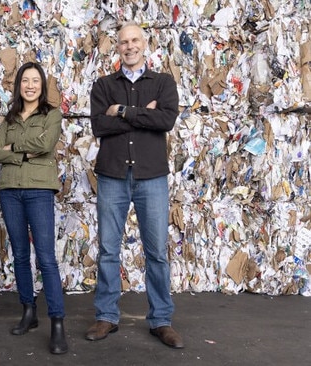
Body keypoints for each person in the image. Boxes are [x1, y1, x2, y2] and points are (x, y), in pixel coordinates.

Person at [86, 22, 184, 349]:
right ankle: (106, 316)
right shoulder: (103, 85)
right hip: (113, 175)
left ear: (145, 44)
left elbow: (165, 120)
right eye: (124, 42)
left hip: (151, 176)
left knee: (156, 252)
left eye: (135, 40)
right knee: (108, 250)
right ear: (117, 47)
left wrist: (124, 111)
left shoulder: (163, 83)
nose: (129, 46)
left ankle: (161, 320)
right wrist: (144, 114)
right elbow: (100, 125)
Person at [0, 62, 68, 354]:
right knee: (20, 254)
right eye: (26, 81)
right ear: (19, 85)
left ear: (42, 85)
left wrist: (13, 149)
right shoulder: (8, 119)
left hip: (38, 190)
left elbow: (46, 143)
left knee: (46, 258)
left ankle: (57, 323)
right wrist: (24, 151)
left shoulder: (52, 114)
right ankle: (28, 311)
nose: (31, 86)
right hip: (10, 191)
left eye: (36, 81)